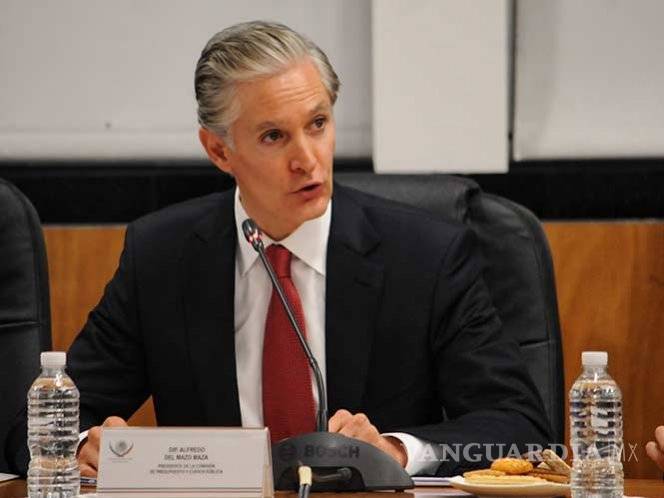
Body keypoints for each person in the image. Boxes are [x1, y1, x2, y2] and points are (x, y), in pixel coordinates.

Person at [6, 21, 551, 477]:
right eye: (274, 136)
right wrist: (80, 445)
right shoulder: (162, 257)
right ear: (219, 150)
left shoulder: (425, 256)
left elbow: (522, 430)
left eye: (318, 124)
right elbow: (30, 429)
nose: (307, 159)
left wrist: (397, 450)